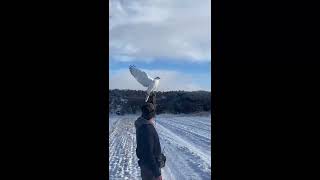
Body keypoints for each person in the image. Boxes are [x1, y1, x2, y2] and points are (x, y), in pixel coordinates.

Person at [135, 93, 163, 180]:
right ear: (151, 115)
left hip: (146, 167)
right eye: (153, 113)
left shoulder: (142, 123)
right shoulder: (147, 128)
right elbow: (148, 154)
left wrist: (152, 98)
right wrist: (157, 174)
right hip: (150, 170)